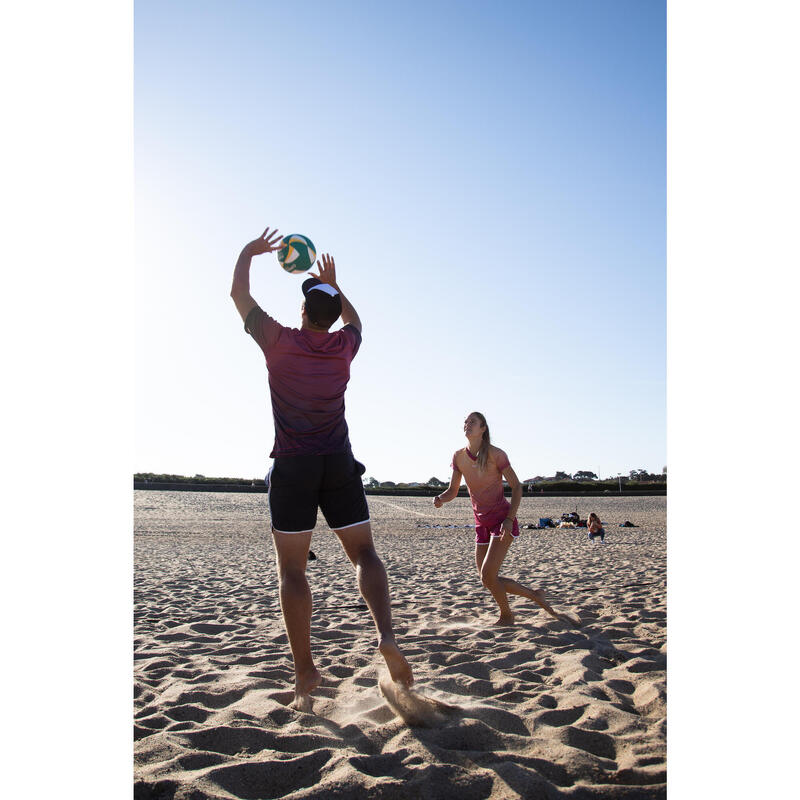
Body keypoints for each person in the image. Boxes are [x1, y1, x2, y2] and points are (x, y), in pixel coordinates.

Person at [230, 226, 413, 709]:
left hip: (292, 466)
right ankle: (386, 634)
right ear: (329, 317)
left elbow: (238, 293)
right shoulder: (342, 349)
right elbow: (357, 323)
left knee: (292, 570)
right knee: (366, 555)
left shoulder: (279, 341)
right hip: (337, 463)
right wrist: (337, 285)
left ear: (303, 312)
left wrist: (250, 252)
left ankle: (306, 671)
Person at [432, 411, 562, 626]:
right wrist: (440, 499)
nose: (467, 424)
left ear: (483, 428)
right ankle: (534, 596)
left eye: (472, 421)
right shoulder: (458, 457)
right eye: (465, 421)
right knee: (487, 579)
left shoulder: (496, 454)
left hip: (502, 520)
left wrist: (510, 519)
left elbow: (517, 487)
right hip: (480, 523)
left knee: (488, 575)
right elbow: (452, 490)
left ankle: (507, 616)